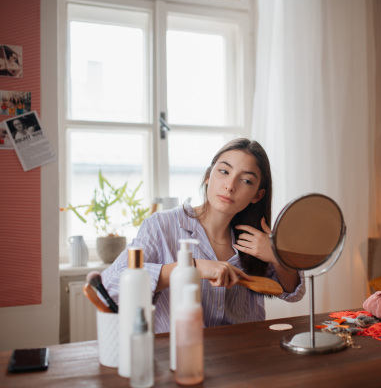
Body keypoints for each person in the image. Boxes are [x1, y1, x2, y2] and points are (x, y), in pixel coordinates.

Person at [101, 138, 305, 333]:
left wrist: (277, 256)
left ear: (257, 195)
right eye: (224, 171)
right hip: (178, 356)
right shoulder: (161, 225)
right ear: (208, 176)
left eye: (245, 180)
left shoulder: (255, 239)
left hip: (245, 354)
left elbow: (292, 292)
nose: (230, 185)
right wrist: (191, 268)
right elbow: (109, 287)